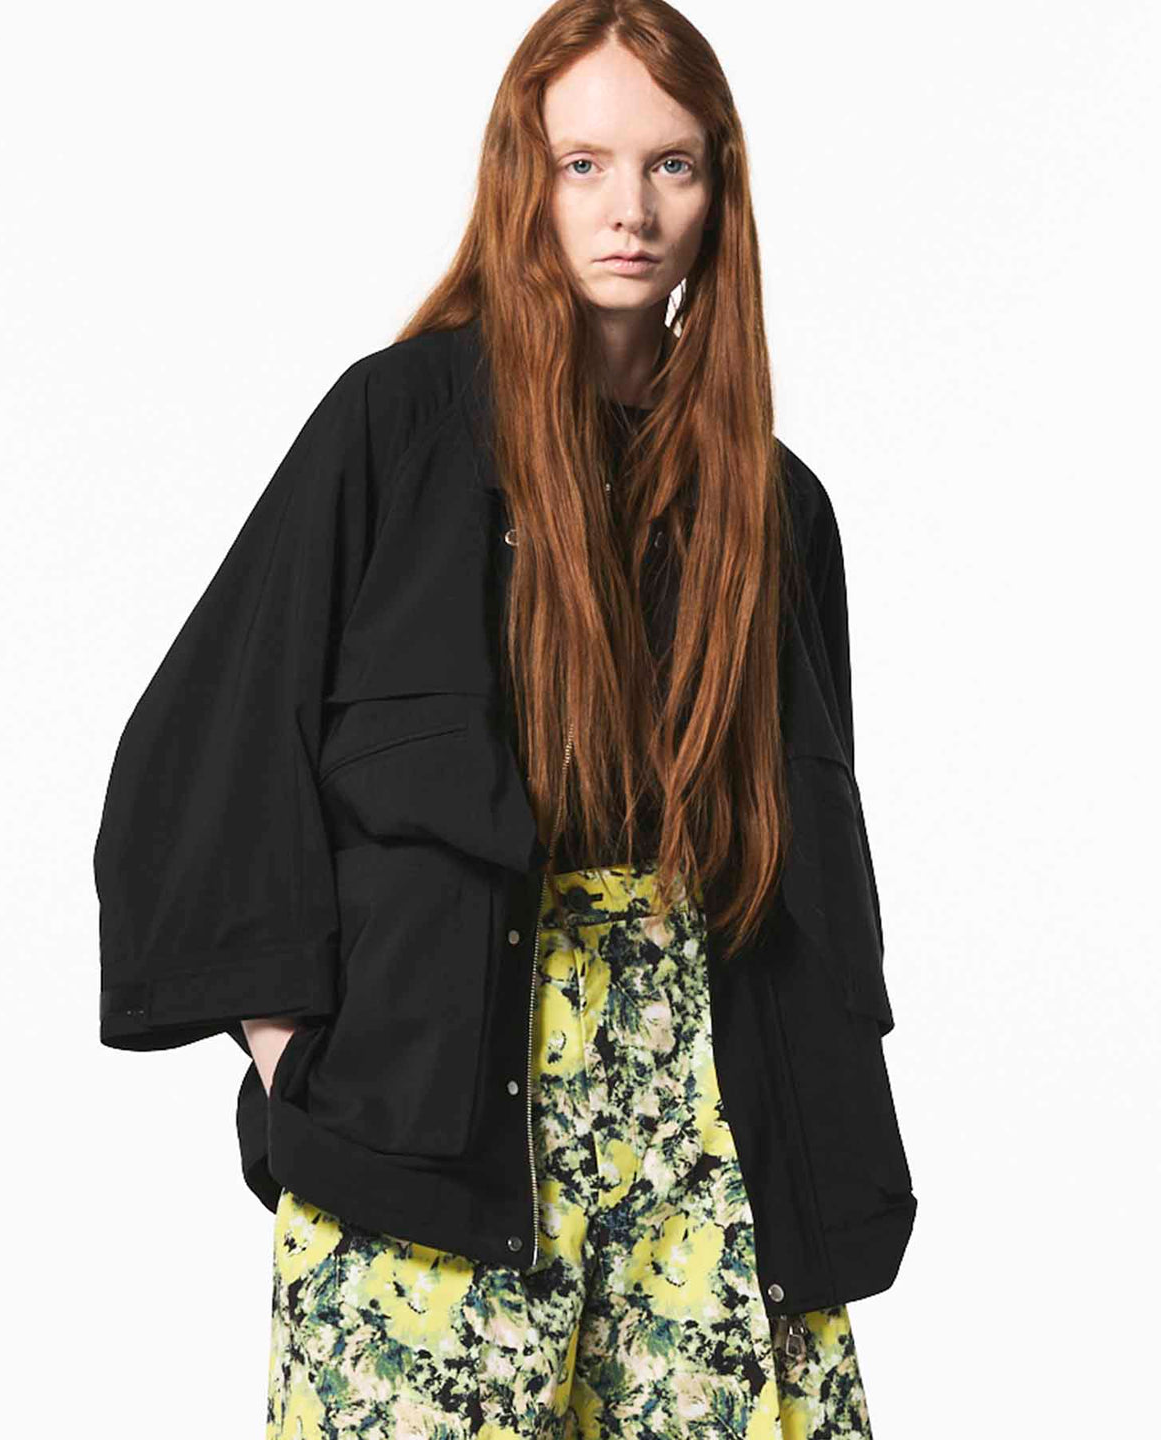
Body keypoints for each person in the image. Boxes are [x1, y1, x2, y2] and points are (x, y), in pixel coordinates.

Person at [94, 3, 915, 1436]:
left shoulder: (776, 510)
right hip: (437, 1115)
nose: (629, 209)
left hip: (709, 1121)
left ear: (719, 190)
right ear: (522, 179)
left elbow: (809, 851)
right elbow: (208, 756)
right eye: (584, 163)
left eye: (671, 165)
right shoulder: (394, 429)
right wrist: (301, 1060)